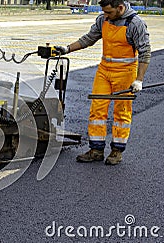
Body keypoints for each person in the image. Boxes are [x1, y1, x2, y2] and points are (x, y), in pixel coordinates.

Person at [57, 0, 151, 165]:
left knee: (121, 114)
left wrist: (139, 80)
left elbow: (145, 52)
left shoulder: (135, 24)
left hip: (125, 73)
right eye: (104, 12)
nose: (105, 16)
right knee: (97, 111)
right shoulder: (103, 20)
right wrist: (67, 49)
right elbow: (89, 39)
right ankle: (96, 150)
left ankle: (116, 151)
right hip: (104, 71)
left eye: (109, 12)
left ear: (120, 8)